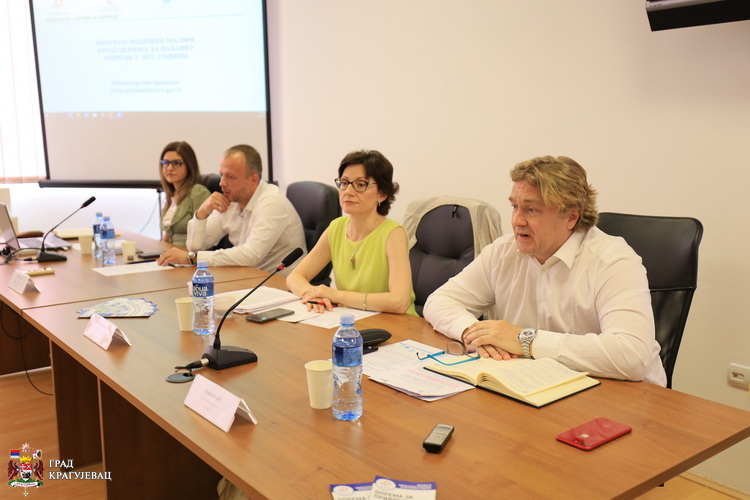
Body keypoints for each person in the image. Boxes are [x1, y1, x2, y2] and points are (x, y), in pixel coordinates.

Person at [423, 155, 666, 386]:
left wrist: (524, 340)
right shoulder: (502, 252)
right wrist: (474, 333)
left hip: (619, 395)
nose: (516, 221)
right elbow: (440, 301)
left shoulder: (613, 261)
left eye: (531, 210)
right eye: (514, 207)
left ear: (571, 217)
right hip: (532, 384)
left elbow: (631, 356)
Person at [286, 150, 416, 315]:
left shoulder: (393, 234)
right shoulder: (336, 228)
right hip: (351, 319)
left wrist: (335, 294)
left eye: (360, 185)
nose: (348, 191)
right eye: (344, 182)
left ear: (382, 194)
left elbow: (399, 302)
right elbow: (295, 277)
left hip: (396, 323)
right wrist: (313, 295)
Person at [157, 144, 305, 274]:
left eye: (230, 177)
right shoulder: (231, 200)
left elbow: (251, 255)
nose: (222, 183)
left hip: (281, 284)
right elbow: (196, 246)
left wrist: (193, 258)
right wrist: (201, 213)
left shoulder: (272, 203)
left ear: (253, 179)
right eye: (221, 175)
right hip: (248, 277)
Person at [158, 141, 211, 247]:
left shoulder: (198, 193)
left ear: (189, 165)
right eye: (166, 163)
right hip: (170, 253)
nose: (169, 168)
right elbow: (168, 234)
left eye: (176, 163)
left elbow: (206, 236)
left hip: (187, 254)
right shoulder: (172, 195)